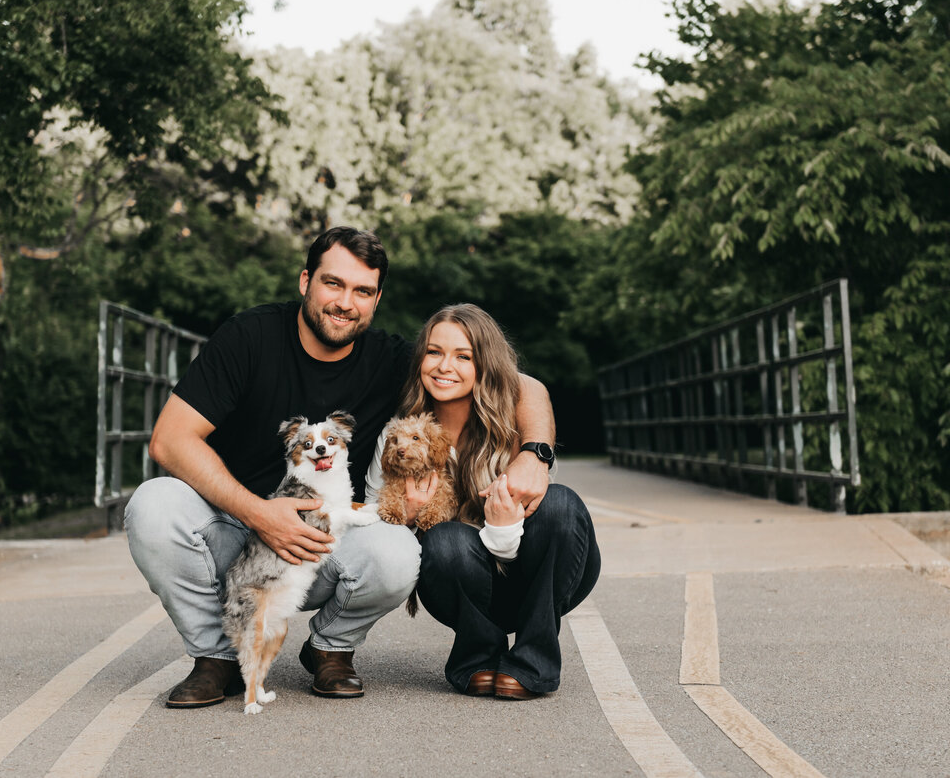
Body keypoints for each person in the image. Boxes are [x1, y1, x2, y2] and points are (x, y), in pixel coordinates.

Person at [125, 227, 556, 708]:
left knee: (397, 552)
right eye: (333, 283)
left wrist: (535, 453)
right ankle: (216, 656)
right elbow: (169, 440)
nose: (345, 303)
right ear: (305, 281)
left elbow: (523, 385)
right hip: (234, 528)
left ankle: (331, 648)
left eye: (362, 291)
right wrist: (258, 513)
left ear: (376, 299)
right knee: (152, 505)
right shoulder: (248, 336)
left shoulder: (392, 360)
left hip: (326, 541)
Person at [365, 303, 601, 700]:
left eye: (464, 356)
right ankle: (478, 658)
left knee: (561, 504)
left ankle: (532, 662)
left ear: (485, 364)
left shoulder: (516, 420)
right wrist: (407, 514)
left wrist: (527, 472)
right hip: (460, 583)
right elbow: (374, 519)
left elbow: (530, 387)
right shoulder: (399, 434)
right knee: (445, 539)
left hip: (535, 577)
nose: (444, 366)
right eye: (434, 352)